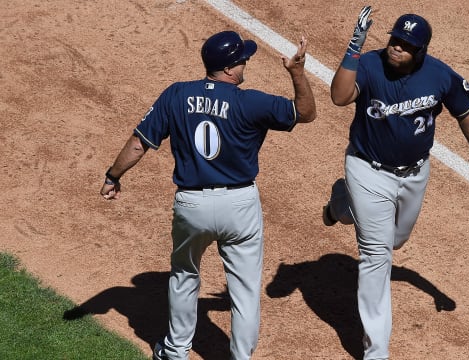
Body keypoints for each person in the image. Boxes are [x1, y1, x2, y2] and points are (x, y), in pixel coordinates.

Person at [100, 30, 316, 360]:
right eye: (243, 59)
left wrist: (113, 176)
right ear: (230, 69)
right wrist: (297, 73)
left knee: (184, 276)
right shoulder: (251, 101)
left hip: (192, 204)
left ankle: (174, 352)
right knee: (244, 291)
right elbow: (305, 112)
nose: (246, 63)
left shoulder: (176, 95)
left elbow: (138, 143)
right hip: (240, 205)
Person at [322, 6, 469, 360]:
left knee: (396, 241)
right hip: (367, 170)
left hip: (415, 172)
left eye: (406, 44)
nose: (397, 47)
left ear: (421, 51)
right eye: (395, 39)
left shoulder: (439, 75)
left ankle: (342, 203)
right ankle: (376, 351)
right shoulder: (370, 64)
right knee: (376, 254)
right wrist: (354, 46)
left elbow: (466, 111)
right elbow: (339, 97)